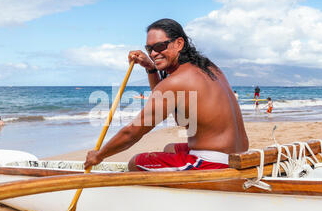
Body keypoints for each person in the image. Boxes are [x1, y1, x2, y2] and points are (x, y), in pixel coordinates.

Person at [84, 18, 249, 172]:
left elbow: (132, 133)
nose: (153, 54)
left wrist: (99, 155)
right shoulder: (209, 67)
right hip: (237, 154)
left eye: (159, 46)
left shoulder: (176, 82)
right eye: (149, 49)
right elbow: (178, 115)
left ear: (179, 44)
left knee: (135, 162)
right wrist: (151, 69)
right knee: (170, 148)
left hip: (213, 161)